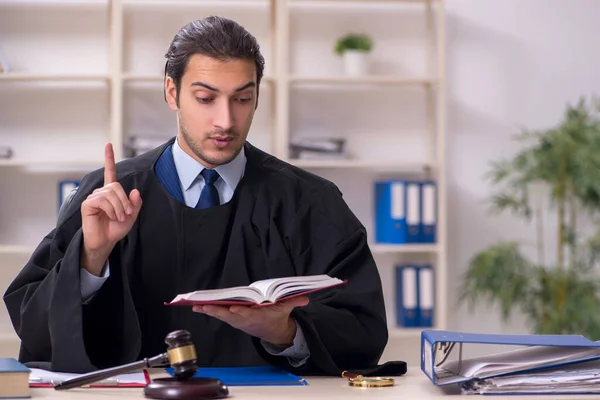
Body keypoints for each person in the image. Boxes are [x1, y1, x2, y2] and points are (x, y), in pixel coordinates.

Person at [3, 16, 389, 376]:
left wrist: (286, 331)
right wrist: (90, 259)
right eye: (206, 98)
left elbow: (364, 331)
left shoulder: (310, 202)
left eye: (242, 99)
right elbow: (36, 330)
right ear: (172, 92)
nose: (225, 120)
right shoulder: (108, 196)